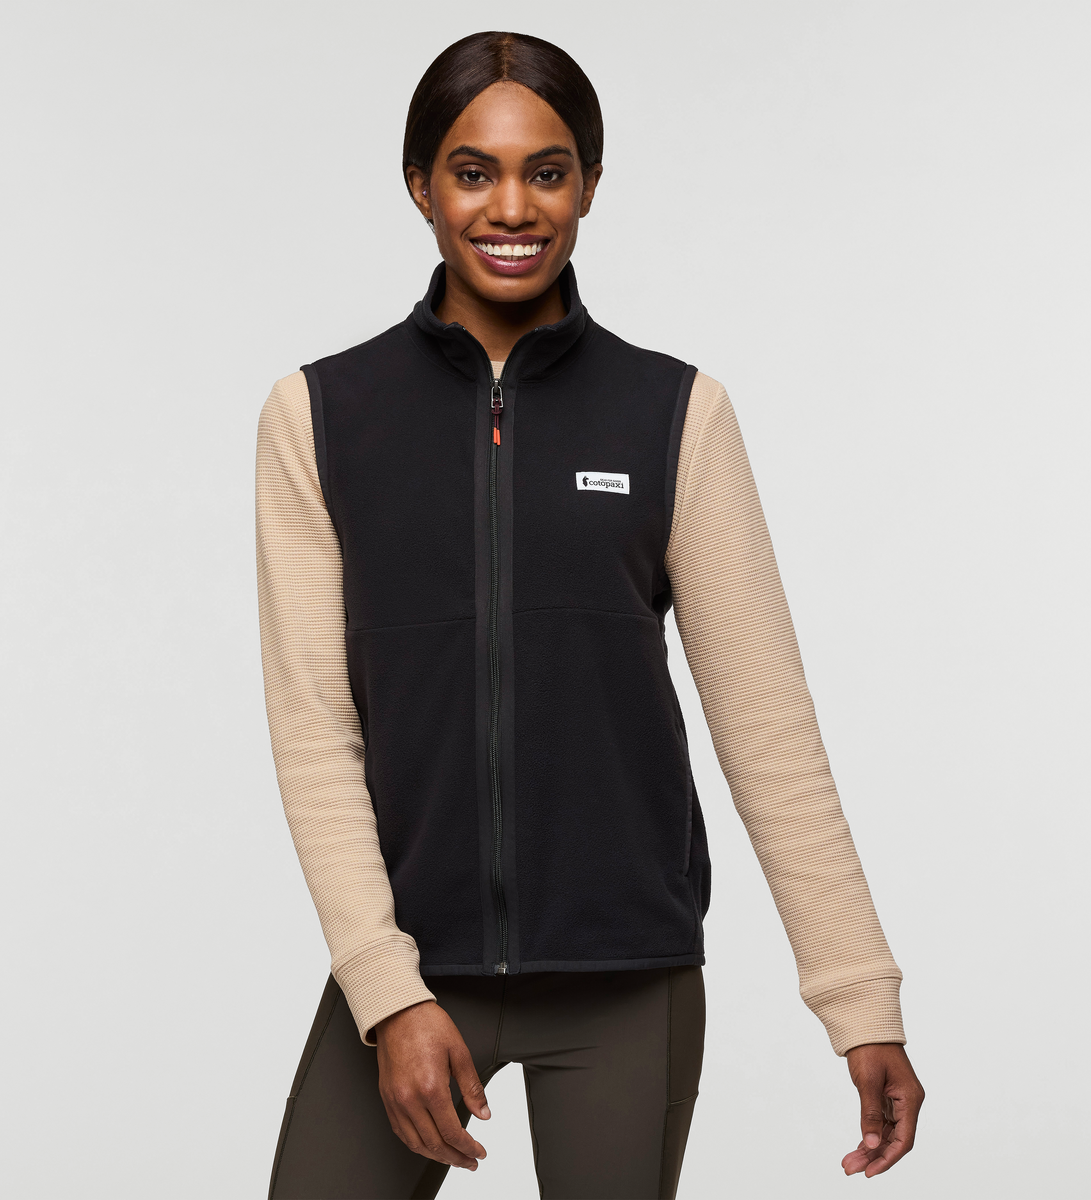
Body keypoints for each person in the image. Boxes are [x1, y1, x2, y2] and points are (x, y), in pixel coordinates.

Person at [256, 30, 923, 1200]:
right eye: (473, 172)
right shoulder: (321, 415)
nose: (513, 207)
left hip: (626, 978)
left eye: (548, 171)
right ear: (420, 185)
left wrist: (858, 997)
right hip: (412, 971)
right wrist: (389, 993)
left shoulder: (675, 414)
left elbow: (767, 726)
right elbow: (317, 730)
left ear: (591, 185)